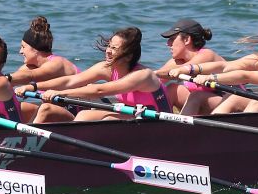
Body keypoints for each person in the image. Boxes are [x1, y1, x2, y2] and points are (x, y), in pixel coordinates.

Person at [31, 26, 168, 123]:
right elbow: (71, 80)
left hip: (157, 123)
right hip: (133, 116)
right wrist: (34, 87)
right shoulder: (107, 67)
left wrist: (61, 94)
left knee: (109, 120)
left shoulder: (143, 75)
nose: (108, 51)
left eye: (114, 48)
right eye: (109, 45)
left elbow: (99, 90)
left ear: (128, 56)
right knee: (84, 115)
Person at [153, 19, 225, 114]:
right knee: (171, 89)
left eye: (172, 39)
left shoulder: (207, 55)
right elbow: (155, 81)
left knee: (195, 95)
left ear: (187, 40)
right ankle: (153, 123)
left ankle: (176, 127)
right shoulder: (178, 61)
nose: (168, 43)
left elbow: (181, 70)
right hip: (206, 104)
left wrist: (155, 73)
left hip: (229, 102)